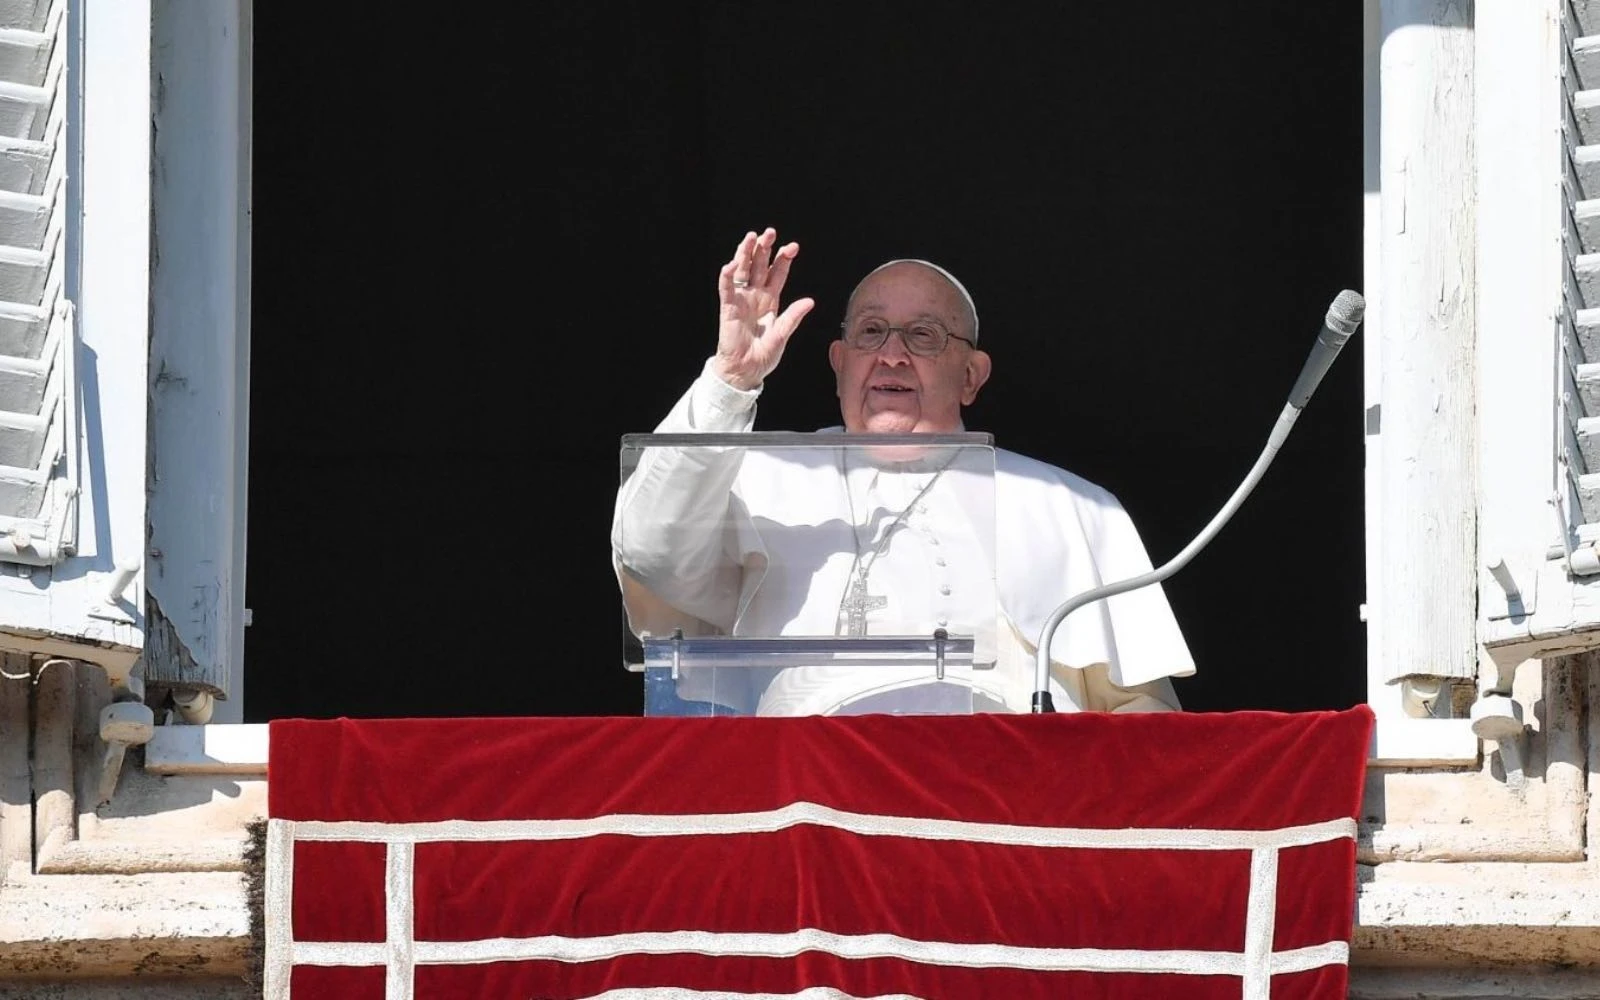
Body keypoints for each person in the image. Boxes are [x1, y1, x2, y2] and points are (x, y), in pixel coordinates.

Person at [612, 227, 1194, 716]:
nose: (892, 354)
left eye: (924, 335)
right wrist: (730, 380)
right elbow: (651, 554)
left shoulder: (1070, 506)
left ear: (971, 376)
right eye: (870, 332)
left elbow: (1138, 718)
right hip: (806, 799)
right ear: (840, 365)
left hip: (1007, 800)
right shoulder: (755, 475)